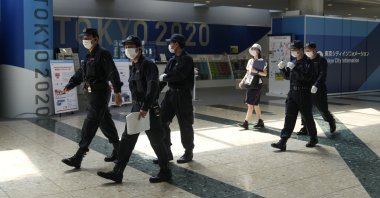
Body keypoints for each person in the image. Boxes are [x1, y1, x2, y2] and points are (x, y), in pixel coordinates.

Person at [97, 35, 171, 183]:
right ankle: (118, 172)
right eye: (125, 47)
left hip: (148, 108)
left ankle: (165, 172)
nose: (127, 49)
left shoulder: (148, 64)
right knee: (127, 139)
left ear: (139, 48)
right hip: (137, 106)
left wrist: (145, 107)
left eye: (130, 46)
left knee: (156, 140)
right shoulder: (134, 65)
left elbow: (153, 87)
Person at [60, 28, 123, 168]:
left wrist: (117, 92)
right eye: (84, 37)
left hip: (100, 93)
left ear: (96, 38)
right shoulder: (89, 55)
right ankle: (118, 149)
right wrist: (70, 85)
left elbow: (113, 73)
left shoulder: (103, 54)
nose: (85, 39)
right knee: (104, 121)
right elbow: (81, 73)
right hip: (91, 93)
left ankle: (79, 155)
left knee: (90, 122)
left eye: (88, 37)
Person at [271, 40, 319, 151]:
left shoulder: (308, 63)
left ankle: (313, 138)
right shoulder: (293, 62)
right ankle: (282, 141)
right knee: (289, 117)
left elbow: (307, 78)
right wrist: (282, 69)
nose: (293, 52)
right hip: (292, 93)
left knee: (307, 117)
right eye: (292, 50)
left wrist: (295, 69)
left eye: (295, 50)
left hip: (303, 93)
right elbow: (288, 77)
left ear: (301, 50)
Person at [155, 34, 195, 164]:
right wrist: (154, 94)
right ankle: (167, 152)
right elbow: (164, 78)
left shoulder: (187, 59)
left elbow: (178, 75)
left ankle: (188, 152)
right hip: (171, 94)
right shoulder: (172, 60)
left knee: (185, 124)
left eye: (171, 43)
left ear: (176, 44)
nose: (170, 46)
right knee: (162, 122)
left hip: (183, 96)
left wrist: (165, 78)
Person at [296, 42, 336, 135]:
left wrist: (316, 85)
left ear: (314, 49)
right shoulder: (306, 60)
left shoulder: (321, 60)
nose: (307, 52)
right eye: (305, 50)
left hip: (319, 89)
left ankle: (331, 121)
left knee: (322, 109)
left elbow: (322, 75)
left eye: (308, 50)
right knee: (304, 108)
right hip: (306, 88)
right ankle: (304, 127)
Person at [238, 43, 268, 130]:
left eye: (255, 49)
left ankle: (246, 123)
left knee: (250, 104)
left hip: (256, 85)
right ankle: (260, 121)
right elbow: (248, 73)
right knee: (255, 104)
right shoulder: (250, 61)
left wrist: (256, 72)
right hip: (249, 83)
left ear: (258, 51)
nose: (253, 51)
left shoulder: (262, 61)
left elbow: (265, 74)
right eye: (252, 49)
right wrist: (242, 81)